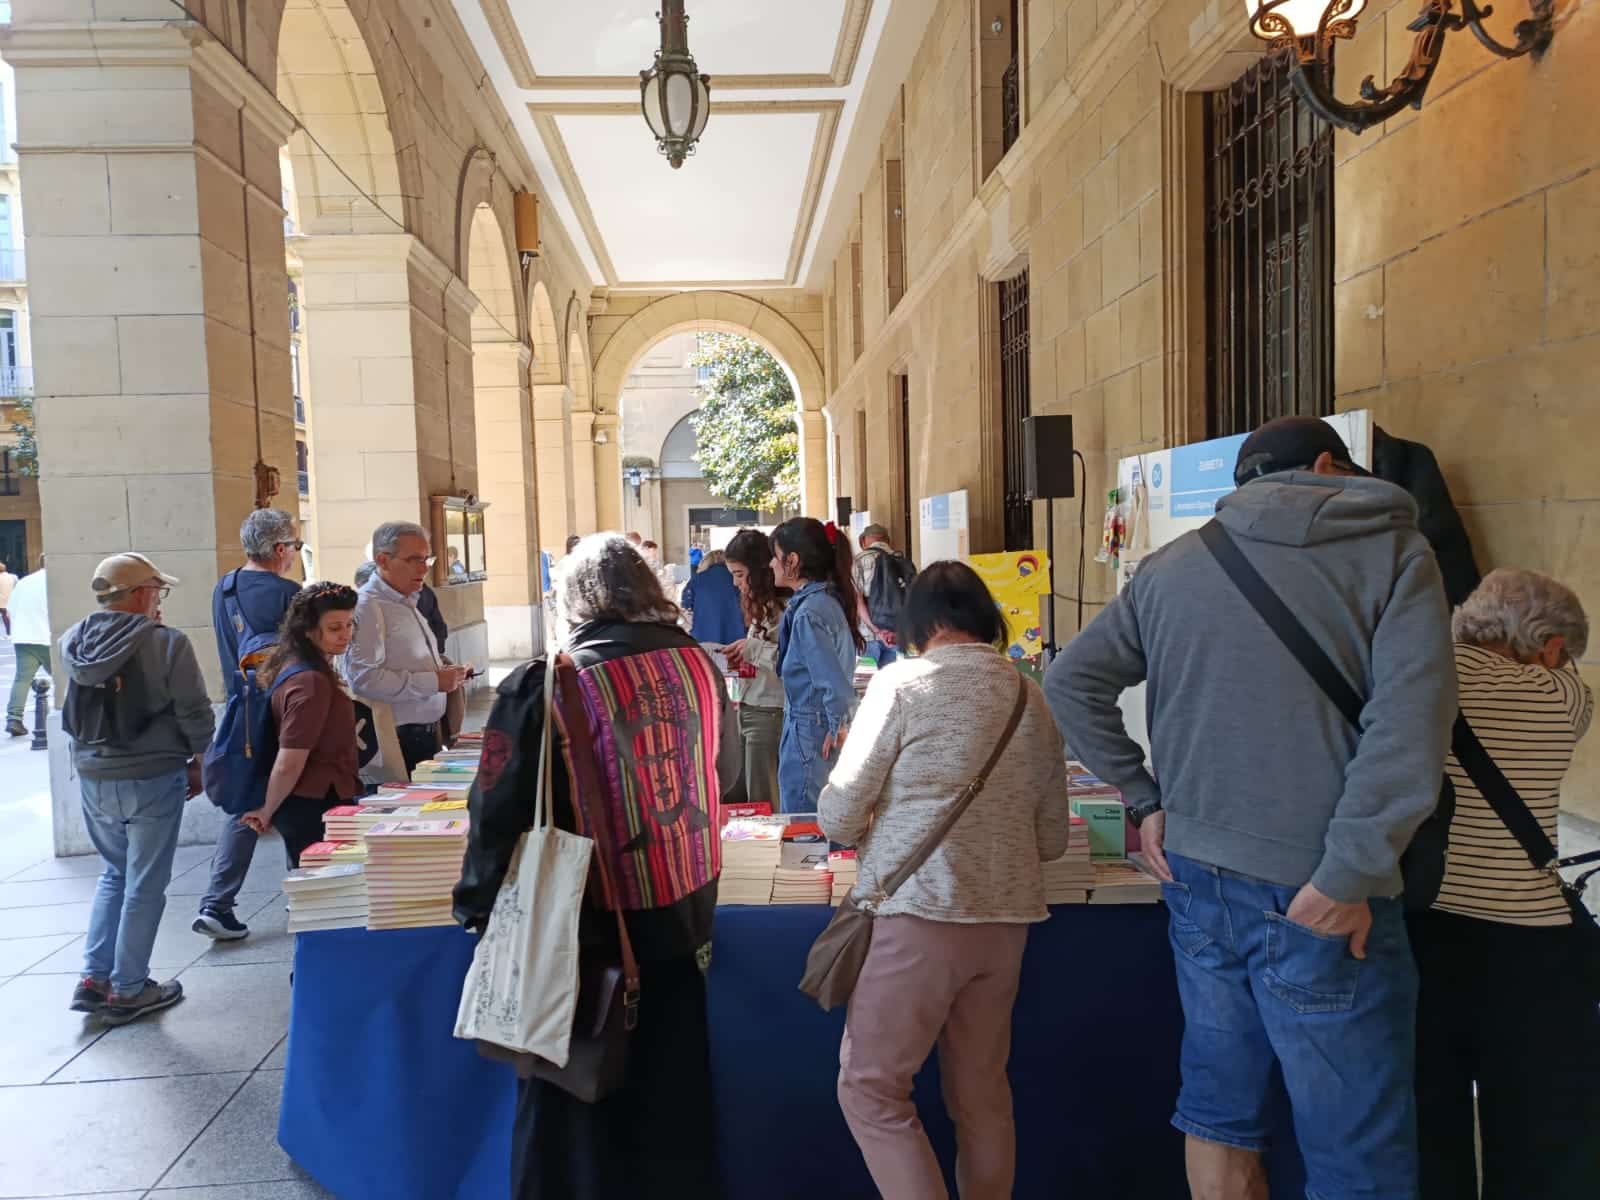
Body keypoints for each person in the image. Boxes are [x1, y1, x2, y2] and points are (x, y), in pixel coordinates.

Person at [1045, 415, 1457, 1200]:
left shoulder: (1171, 567)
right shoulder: (1398, 554)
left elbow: (1069, 682)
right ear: (1333, 464)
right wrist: (1350, 873)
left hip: (1198, 878)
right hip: (1324, 893)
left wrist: (1144, 798)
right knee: (1355, 1151)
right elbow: (1409, 727)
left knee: (1217, 1114)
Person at [454, 534, 740, 1199]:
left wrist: (477, 907)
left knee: (577, 1110)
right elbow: (720, 774)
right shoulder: (699, 665)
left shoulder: (553, 680)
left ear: (574, 600)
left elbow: (499, 812)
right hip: (685, 918)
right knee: (672, 1108)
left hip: (586, 936)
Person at [821, 561, 1070, 1198]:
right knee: (982, 1094)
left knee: (871, 1088)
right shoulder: (1028, 695)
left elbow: (841, 815)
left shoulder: (902, 684)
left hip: (918, 919)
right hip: (1007, 925)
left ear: (919, 623)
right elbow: (1052, 840)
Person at [1411, 569, 1599, 1199]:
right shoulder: (1566, 699)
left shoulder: (1420, 677)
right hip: (1531, 943)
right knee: (1541, 1129)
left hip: (1425, 924)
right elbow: (1562, 679)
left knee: (1429, 1113)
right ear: (1551, 649)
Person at [60, 553, 214, 1025]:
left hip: (93, 774)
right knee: (145, 883)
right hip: (151, 773)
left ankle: (94, 977)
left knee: (114, 873)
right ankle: (129, 988)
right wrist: (203, 760)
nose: (159, 600)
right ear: (142, 593)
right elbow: (193, 710)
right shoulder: (167, 643)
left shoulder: (74, 640)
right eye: (157, 590)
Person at [192, 508, 302, 942]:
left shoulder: (226, 587)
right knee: (300, 795)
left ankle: (217, 903)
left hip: (241, 709)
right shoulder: (288, 594)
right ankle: (308, 895)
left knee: (245, 800)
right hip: (284, 707)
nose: (293, 554)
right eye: (293, 546)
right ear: (279, 549)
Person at [239, 584, 364, 866]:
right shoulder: (311, 682)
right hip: (313, 802)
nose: (345, 634)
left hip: (315, 798)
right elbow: (290, 758)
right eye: (334, 628)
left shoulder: (298, 665)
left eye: (349, 624)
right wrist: (266, 810)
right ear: (307, 630)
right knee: (321, 891)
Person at [346, 522, 469, 776]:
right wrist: (433, 681)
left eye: (427, 559)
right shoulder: (368, 607)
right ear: (383, 560)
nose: (424, 568)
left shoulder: (406, 600)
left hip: (427, 733)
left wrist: (445, 672)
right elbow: (363, 679)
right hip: (399, 738)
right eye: (414, 560)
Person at [770, 518, 863, 813]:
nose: (771, 564)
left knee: (804, 825)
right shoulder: (824, 602)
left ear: (793, 560)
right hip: (814, 725)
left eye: (775, 556)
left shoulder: (809, 612)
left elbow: (832, 682)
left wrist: (838, 724)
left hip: (809, 729)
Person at [720, 529, 789, 810]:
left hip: (771, 709)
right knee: (749, 793)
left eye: (739, 574)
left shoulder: (787, 608)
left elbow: (793, 660)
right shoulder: (762, 606)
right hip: (750, 704)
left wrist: (751, 650)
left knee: (764, 798)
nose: (736, 583)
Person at [852, 524, 916, 667]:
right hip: (896, 635)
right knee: (891, 684)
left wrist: (877, 630)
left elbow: (858, 600)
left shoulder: (858, 561)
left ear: (863, 541)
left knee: (867, 686)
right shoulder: (901, 560)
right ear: (888, 540)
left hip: (867, 636)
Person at [5, 558, 47, 737]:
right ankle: (78, 714)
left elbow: (10, 610)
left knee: (22, 678)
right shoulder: (56, 580)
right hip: (46, 636)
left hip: (23, 636)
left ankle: (14, 718)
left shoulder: (24, 581)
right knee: (66, 676)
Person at [680, 549, 745, 646]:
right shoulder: (738, 578)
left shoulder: (697, 579)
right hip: (738, 638)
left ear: (705, 562)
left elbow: (686, 606)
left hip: (704, 637)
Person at [0, 557, 16, 636]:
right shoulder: (12, 577)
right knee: (9, 616)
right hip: (11, 599)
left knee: (5, 616)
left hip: (2, 601)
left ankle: (8, 633)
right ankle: (10, 633)